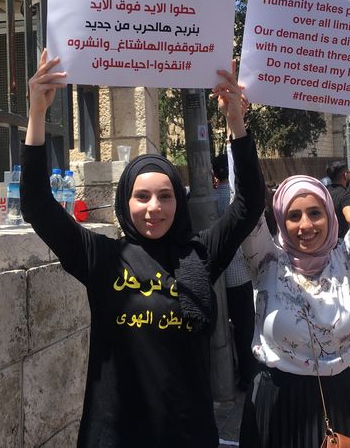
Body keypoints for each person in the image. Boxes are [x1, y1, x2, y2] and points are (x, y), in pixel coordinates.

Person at [21, 51, 265, 447]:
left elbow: (249, 203)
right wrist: (36, 116)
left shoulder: (200, 255)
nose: (154, 208)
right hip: (117, 434)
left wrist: (236, 121)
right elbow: (36, 204)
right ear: (125, 202)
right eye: (142, 196)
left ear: (178, 202)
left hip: (188, 434)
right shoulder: (101, 257)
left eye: (165, 196)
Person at [237, 98, 350, 448]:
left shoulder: (346, 261)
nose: (305, 225)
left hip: (340, 403)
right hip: (277, 406)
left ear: (329, 216)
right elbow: (246, 203)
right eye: (293, 215)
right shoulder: (267, 262)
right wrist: (236, 124)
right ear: (280, 221)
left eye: (315, 213)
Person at [212, 153, 259, 390]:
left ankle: (226, 374)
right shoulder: (236, 198)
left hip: (217, 278)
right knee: (245, 329)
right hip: (240, 275)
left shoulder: (208, 199)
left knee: (221, 330)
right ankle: (248, 376)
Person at [325, 160, 350, 238]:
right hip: (339, 242)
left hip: (324, 240)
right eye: (348, 172)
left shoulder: (324, 191)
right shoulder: (346, 196)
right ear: (345, 175)